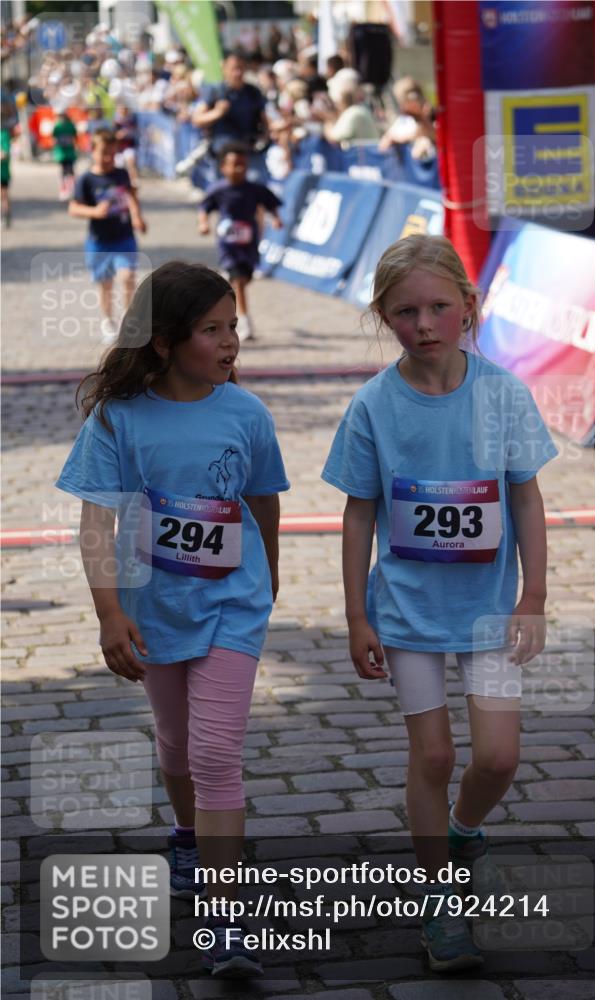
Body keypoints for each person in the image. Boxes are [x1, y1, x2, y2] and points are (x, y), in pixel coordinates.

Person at [321, 235, 558, 972]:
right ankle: (439, 906)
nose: (422, 323)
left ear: (467, 308)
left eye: (437, 307)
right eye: (404, 312)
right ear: (382, 317)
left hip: (488, 611)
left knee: (496, 757)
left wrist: (534, 596)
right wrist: (357, 613)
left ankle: (461, 829)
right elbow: (358, 511)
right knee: (433, 753)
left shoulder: (502, 394)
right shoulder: (372, 407)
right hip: (407, 613)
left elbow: (525, 494)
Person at [54, 261, 290, 978]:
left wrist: (268, 580)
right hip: (154, 612)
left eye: (232, 328)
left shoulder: (245, 413)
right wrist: (109, 614)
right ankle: (186, 835)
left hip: (232, 609)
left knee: (215, 756)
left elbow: (265, 502)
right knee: (175, 743)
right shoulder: (118, 418)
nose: (229, 344)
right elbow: (95, 523)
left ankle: (225, 922)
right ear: (162, 341)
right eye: (211, 331)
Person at [198, 141, 282, 343]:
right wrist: (203, 224)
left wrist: (276, 218)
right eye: (234, 164)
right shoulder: (218, 190)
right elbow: (204, 208)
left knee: (244, 279)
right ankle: (243, 321)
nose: (239, 168)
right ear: (223, 167)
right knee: (239, 282)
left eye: (243, 164)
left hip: (249, 244)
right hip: (228, 245)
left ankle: (231, 299)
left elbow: (270, 203)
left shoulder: (254, 189)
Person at [69, 129, 147, 344]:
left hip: (124, 237)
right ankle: (108, 322)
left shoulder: (121, 174)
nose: (108, 159)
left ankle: (128, 322)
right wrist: (94, 212)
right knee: (105, 284)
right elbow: (73, 208)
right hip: (99, 241)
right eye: (103, 153)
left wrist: (137, 217)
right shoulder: (86, 179)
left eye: (112, 154)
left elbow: (131, 196)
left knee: (127, 277)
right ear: (92, 151)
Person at [52, 108, 78, 201]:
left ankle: (73, 189)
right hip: (62, 154)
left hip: (69, 153)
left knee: (70, 171)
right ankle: (64, 190)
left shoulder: (70, 125)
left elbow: (75, 137)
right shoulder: (57, 126)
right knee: (63, 171)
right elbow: (54, 138)